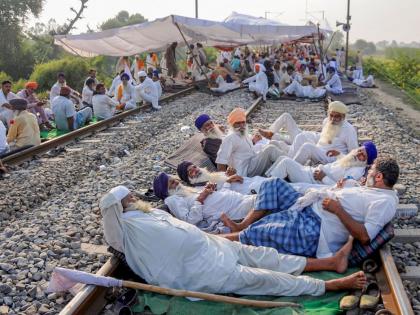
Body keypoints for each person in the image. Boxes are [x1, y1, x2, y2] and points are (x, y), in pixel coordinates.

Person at [101, 185, 367, 297]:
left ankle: (329, 262)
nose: (135, 198)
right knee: (263, 278)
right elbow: (122, 243)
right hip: (200, 271)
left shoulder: (147, 213)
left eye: (133, 195)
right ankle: (328, 286)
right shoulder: (127, 230)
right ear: (119, 209)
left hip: (212, 246)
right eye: (129, 199)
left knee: (267, 256)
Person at [220, 157, 399, 259]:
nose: (367, 173)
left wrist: (338, 210)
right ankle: (242, 225)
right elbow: (356, 201)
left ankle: (217, 239)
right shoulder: (374, 190)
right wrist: (343, 187)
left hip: (315, 228)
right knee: (272, 185)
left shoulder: (385, 202)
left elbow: (365, 236)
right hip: (309, 207)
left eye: (371, 171)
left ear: (379, 177)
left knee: (262, 231)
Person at [258, 101, 358, 165]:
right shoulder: (326, 121)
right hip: (319, 148)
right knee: (301, 137)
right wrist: (308, 135)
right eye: (331, 115)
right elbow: (323, 138)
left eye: (337, 116)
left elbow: (354, 154)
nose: (333, 119)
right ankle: (289, 162)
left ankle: (289, 166)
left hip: (330, 157)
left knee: (307, 146)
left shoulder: (349, 130)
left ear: (343, 117)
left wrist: (340, 156)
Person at [153, 172, 255, 228]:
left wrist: (225, 184)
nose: (176, 182)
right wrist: (201, 198)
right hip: (236, 210)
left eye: (174, 180)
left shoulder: (186, 191)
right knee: (267, 190)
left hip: (241, 199)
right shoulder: (172, 199)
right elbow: (189, 220)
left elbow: (219, 197)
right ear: (166, 190)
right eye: (171, 183)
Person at [267, 142, 377, 185]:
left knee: (286, 162)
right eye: (359, 150)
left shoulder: (356, 171)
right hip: (310, 172)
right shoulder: (354, 161)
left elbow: (340, 188)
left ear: (366, 162)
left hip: (314, 180)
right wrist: (339, 155)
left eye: (363, 155)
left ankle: (264, 187)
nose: (358, 154)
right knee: (282, 158)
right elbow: (346, 163)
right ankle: (265, 179)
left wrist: (323, 178)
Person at [216, 108, 282, 177]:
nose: (241, 126)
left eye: (243, 122)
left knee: (273, 143)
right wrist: (226, 181)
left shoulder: (243, 134)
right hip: (246, 172)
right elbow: (221, 161)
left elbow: (245, 149)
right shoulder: (230, 138)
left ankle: (286, 165)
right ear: (232, 125)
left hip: (252, 163)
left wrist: (254, 141)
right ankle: (290, 162)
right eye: (238, 123)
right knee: (270, 149)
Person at [177, 161, 267, 195]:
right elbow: (222, 200)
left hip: (253, 181)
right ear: (189, 179)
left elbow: (232, 177)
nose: (195, 170)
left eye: (194, 167)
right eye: (190, 172)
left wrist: (231, 173)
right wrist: (228, 181)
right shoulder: (200, 190)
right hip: (251, 193)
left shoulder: (212, 175)